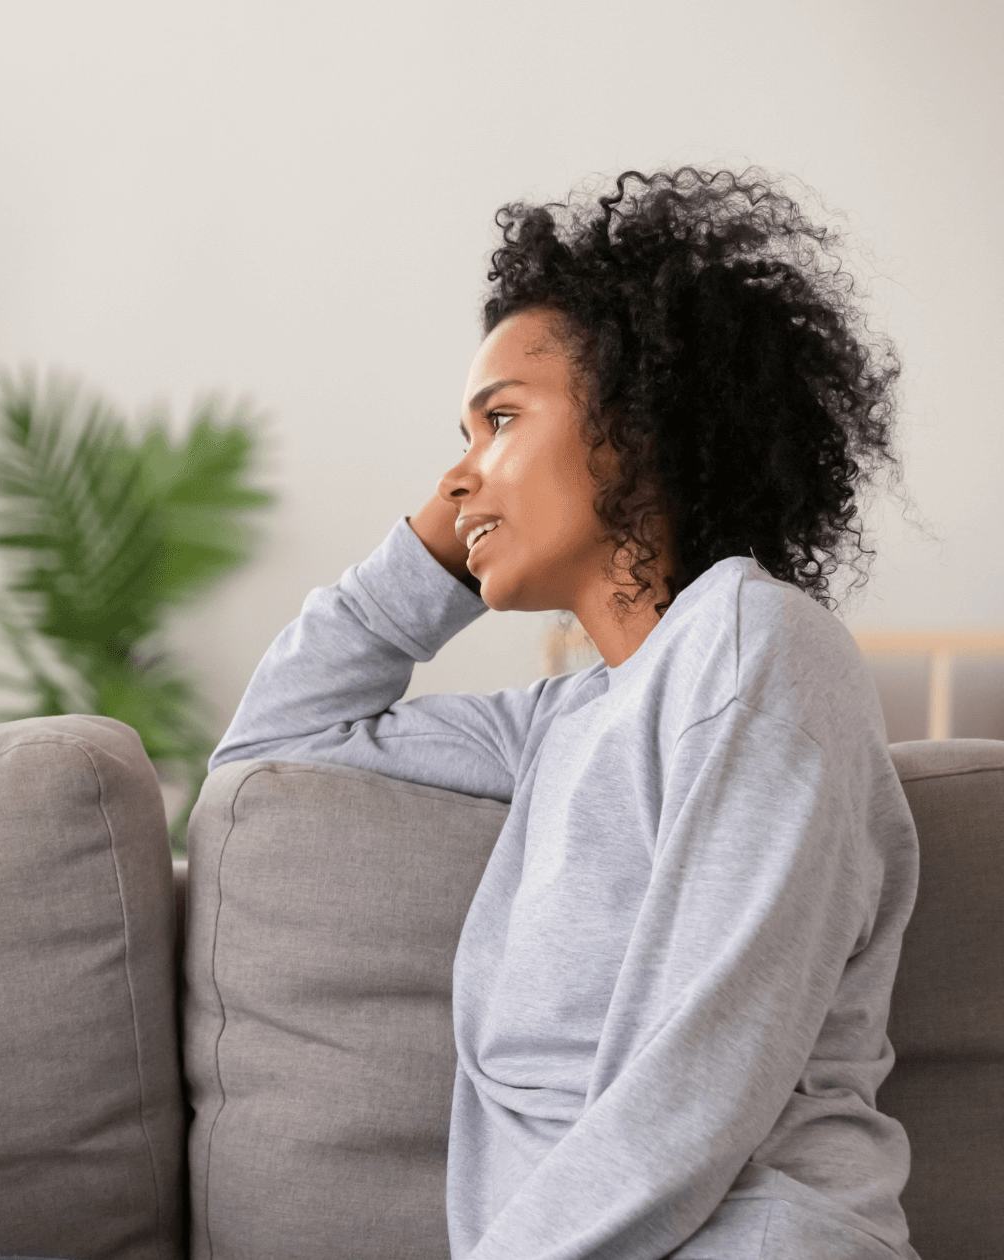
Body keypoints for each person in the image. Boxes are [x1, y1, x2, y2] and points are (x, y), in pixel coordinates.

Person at [212, 169, 916, 1259]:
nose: (459, 476)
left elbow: (702, 1076)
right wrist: (437, 540)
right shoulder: (558, 723)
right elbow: (267, 750)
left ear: (632, 427)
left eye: (498, 419)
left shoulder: (756, 643)